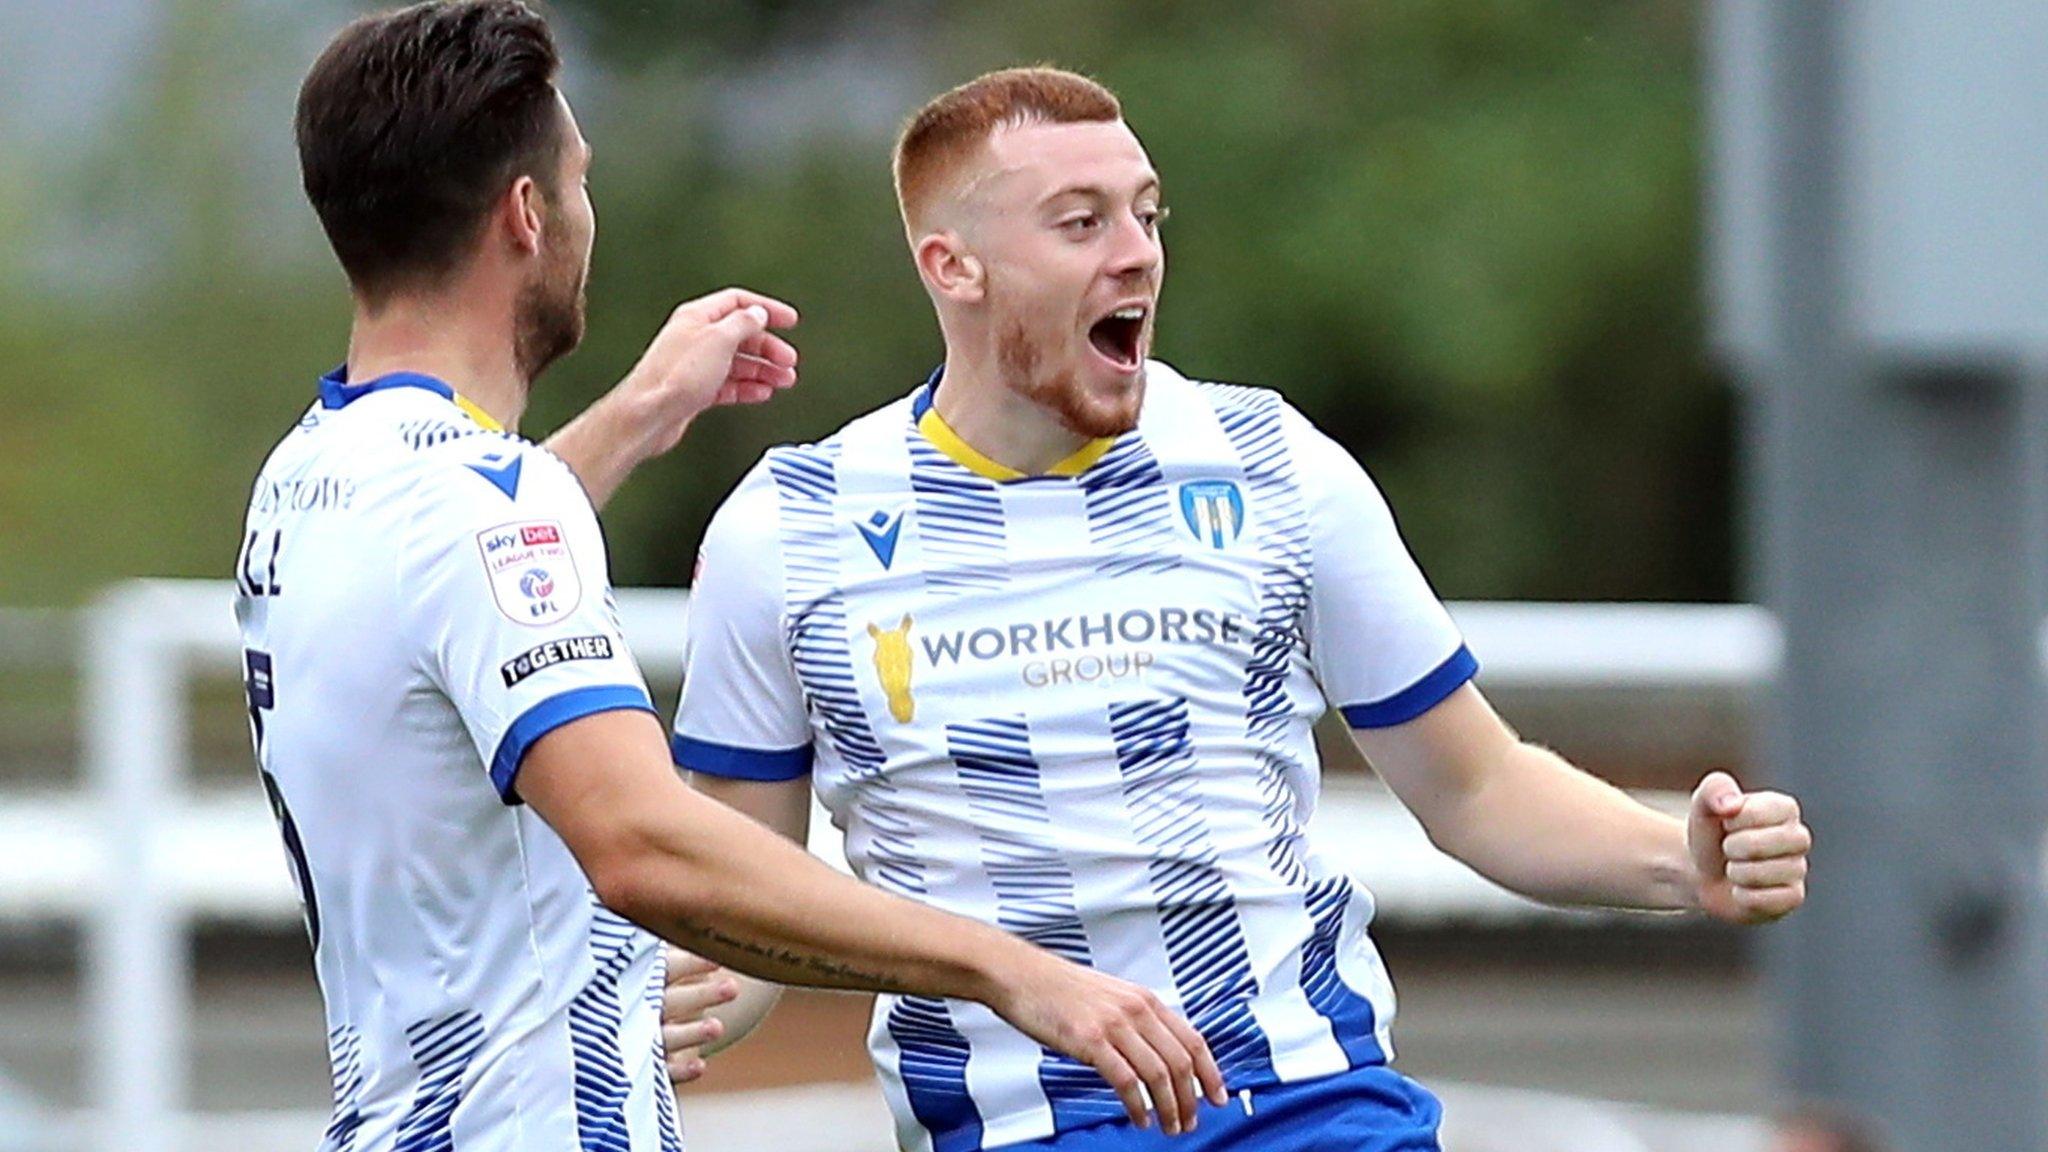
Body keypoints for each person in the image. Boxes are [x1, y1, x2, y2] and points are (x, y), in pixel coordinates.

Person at [666, 66, 1814, 1152]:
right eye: (1081, 223)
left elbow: (1474, 783)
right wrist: (655, 1014)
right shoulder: (793, 527)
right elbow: (742, 894)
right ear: (951, 266)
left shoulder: (1268, 459)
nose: (1137, 257)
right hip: (1014, 1124)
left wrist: (1679, 863)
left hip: (1309, 1099)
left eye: (1147, 216)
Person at [240, 15, 1223, 1152]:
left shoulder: (316, 472)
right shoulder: (481, 504)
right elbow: (641, 842)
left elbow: (451, 573)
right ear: (525, 215)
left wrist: (639, 417)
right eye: (578, 183)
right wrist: (1004, 968)